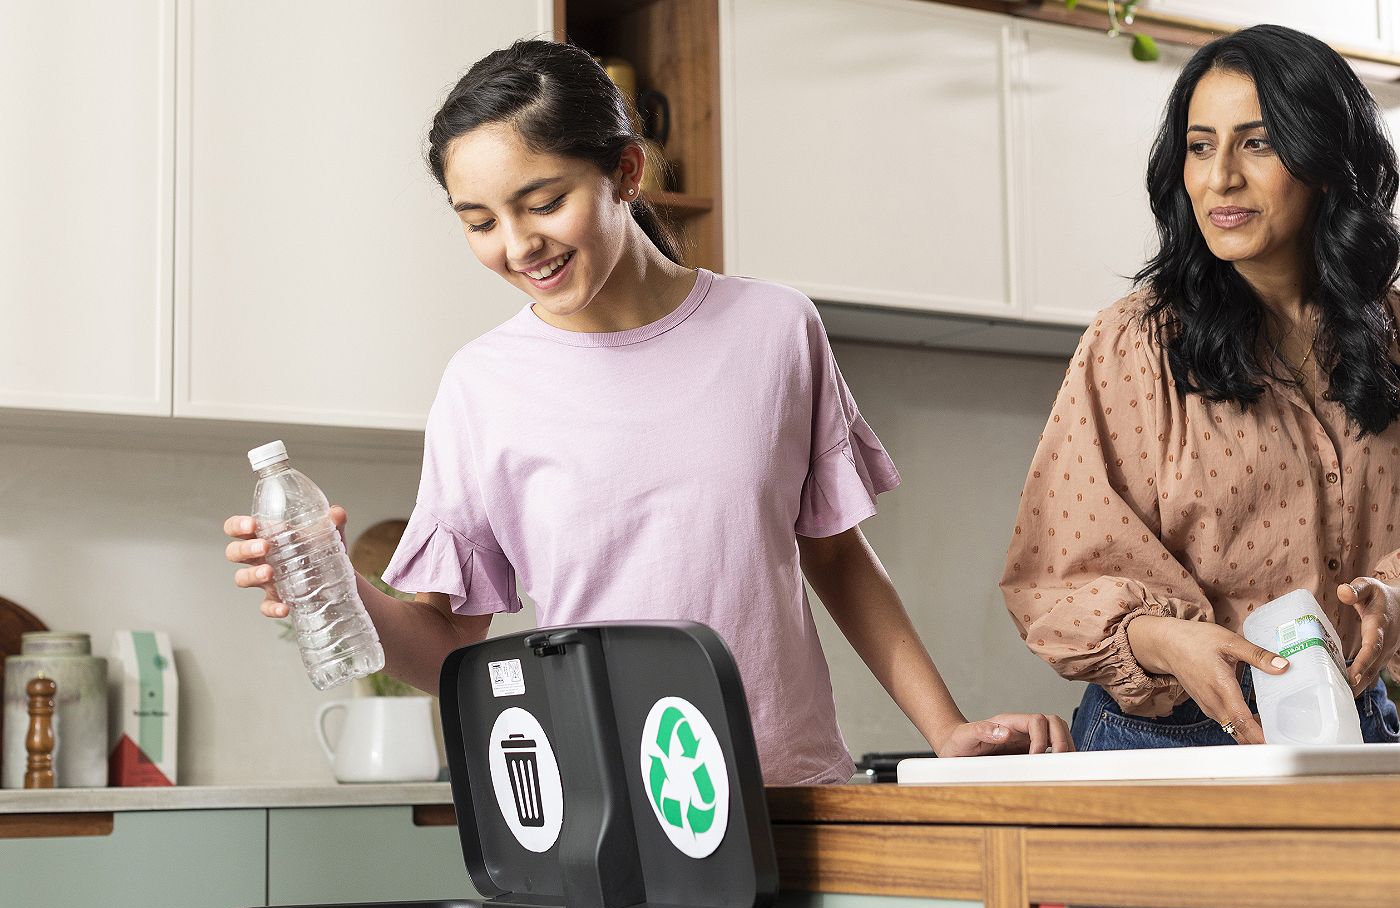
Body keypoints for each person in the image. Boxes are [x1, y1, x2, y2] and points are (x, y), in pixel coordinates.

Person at [226, 39, 1071, 784]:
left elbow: (837, 558)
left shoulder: (775, 328)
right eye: (479, 222)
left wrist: (947, 729)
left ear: (625, 172)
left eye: (542, 202)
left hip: (787, 794)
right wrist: (331, 586)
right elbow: (450, 643)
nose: (517, 247)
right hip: (602, 811)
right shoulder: (481, 386)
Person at [1001, 24, 1400, 751]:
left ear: (1324, 159)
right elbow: (1052, 577)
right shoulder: (1134, 343)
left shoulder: (1394, 331)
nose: (1221, 178)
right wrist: (1164, 640)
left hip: (1356, 723)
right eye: (1200, 146)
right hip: (1166, 734)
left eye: (1257, 142)